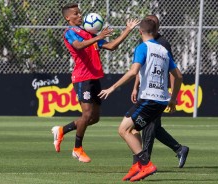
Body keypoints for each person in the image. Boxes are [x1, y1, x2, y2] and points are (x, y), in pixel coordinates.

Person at [51, 3, 140, 163]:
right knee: (86, 114)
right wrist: (98, 37)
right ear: (68, 18)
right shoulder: (70, 32)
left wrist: (128, 29)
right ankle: (77, 149)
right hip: (82, 78)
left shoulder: (89, 34)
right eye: (76, 14)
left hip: (94, 78)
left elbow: (112, 46)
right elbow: (78, 46)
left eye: (80, 13)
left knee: (94, 118)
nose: (80, 16)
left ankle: (61, 130)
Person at [98, 18, 183, 182]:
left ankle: (146, 164)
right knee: (133, 130)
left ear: (140, 31)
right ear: (155, 31)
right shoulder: (163, 50)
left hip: (148, 99)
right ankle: (137, 165)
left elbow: (133, 72)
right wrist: (173, 99)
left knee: (123, 130)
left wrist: (112, 88)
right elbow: (178, 76)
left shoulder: (143, 47)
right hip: (161, 101)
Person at [123, 15, 189, 180]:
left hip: (155, 94)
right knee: (146, 127)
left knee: (147, 127)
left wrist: (173, 95)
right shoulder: (146, 44)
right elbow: (142, 67)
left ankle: (145, 163)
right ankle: (177, 150)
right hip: (150, 94)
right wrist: (135, 87)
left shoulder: (162, 44)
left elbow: (173, 72)